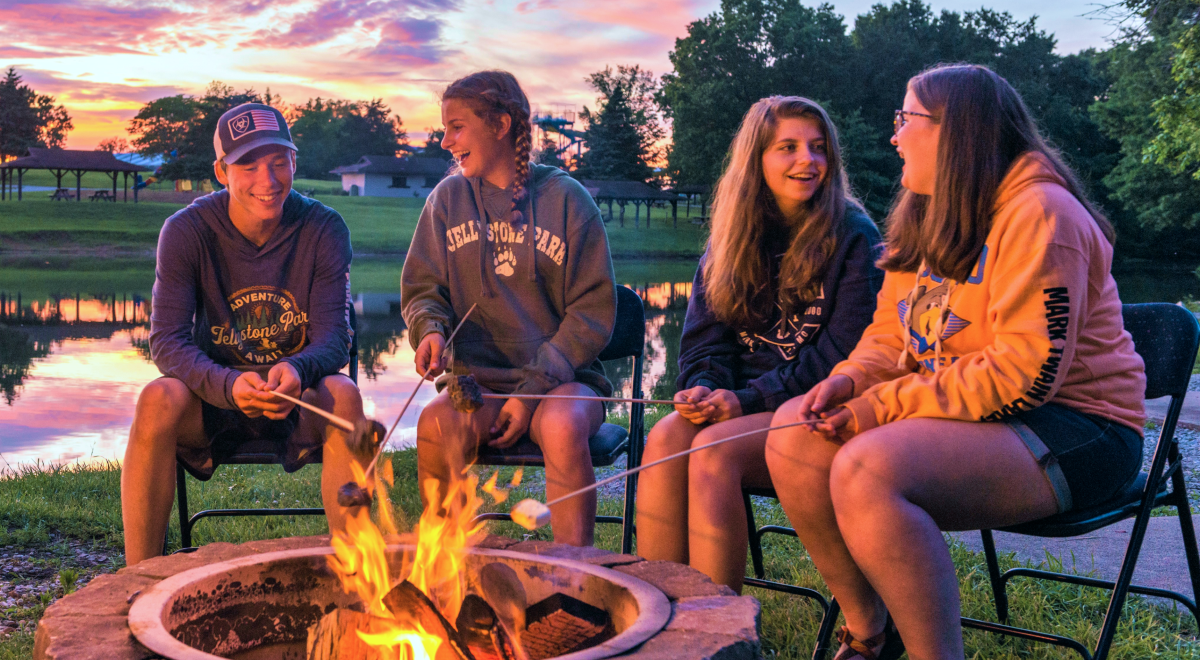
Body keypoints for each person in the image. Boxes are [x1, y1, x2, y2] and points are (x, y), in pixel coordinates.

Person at [765, 64, 1147, 660]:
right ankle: (872, 636)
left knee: (869, 468)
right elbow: (892, 334)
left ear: (957, 131)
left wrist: (877, 408)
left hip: (1080, 426)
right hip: (983, 414)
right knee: (792, 437)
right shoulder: (927, 209)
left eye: (905, 119)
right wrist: (849, 381)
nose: (894, 135)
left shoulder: (1041, 214)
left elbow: (1023, 376)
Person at [635, 96, 883, 591]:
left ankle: (717, 628)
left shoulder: (854, 236)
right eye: (787, 147)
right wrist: (705, 387)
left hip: (812, 408)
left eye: (817, 148)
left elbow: (839, 356)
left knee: (712, 450)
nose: (807, 160)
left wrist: (745, 400)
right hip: (740, 406)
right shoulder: (729, 239)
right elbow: (705, 343)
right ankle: (662, 618)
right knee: (665, 438)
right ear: (757, 159)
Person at [122, 103, 368, 566]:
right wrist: (230, 385)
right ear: (221, 171)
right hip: (212, 398)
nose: (268, 179)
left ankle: (355, 572)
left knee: (346, 396)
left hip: (295, 397)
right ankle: (137, 577)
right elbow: (167, 341)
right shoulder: (185, 231)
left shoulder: (324, 228)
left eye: (279, 161)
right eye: (249, 164)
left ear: (294, 162)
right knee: (157, 398)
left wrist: (297, 368)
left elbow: (336, 339)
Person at [401, 71, 616, 547]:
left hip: (564, 384)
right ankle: (448, 569)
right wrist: (430, 329)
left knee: (560, 426)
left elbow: (591, 313)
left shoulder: (567, 201)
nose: (445, 140)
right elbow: (423, 288)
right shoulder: (446, 201)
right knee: (435, 424)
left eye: (457, 127)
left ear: (500, 124)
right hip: (479, 385)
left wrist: (533, 392)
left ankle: (574, 574)